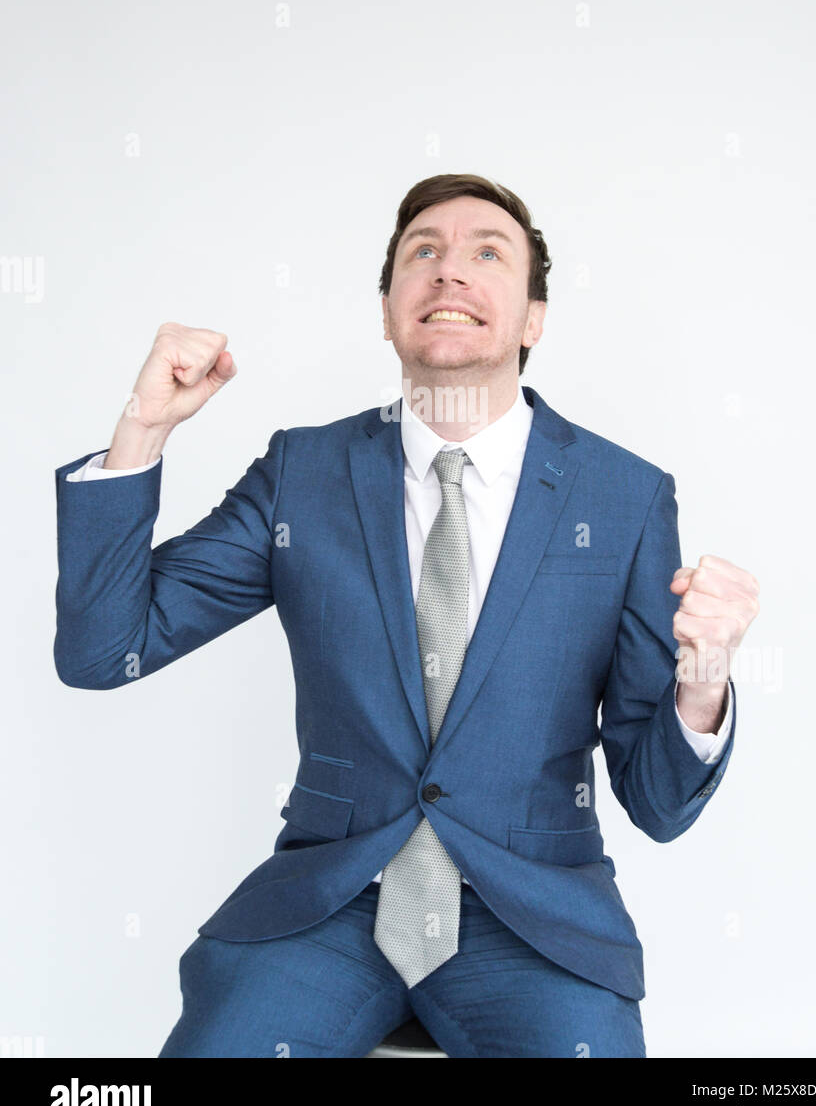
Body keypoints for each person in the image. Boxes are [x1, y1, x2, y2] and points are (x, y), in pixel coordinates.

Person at [53, 172, 759, 1057]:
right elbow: (104, 650)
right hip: (330, 908)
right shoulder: (302, 474)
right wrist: (143, 430)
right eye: (422, 252)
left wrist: (703, 679)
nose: (449, 270)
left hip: (533, 920)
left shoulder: (623, 497)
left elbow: (656, 804)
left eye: (487, 254)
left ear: (533, 319)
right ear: (388, 311)